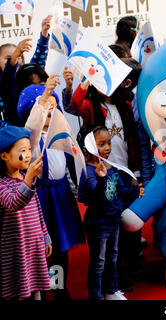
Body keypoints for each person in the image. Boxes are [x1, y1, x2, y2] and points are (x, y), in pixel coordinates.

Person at [17, 79, 84, 300]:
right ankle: (42, 290)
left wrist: (74, 192)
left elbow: (66, 169)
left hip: (61, 196)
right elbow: (32, 128)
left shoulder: (60, 137)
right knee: (43, 249)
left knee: (61, 249)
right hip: (41, 198)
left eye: (54, 111)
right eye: (46, 112)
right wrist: (44, 98)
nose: (50, 116)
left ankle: (58, 289)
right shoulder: (32, 141)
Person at [78, 126, 143, 300]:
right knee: (98, 263)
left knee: (113, 257)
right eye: (101, 144)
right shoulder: (89, 170)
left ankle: (111, 291)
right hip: (98, 224)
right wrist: (100, 178)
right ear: (91, 146)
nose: (107, 147)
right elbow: (92, 194)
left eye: (108, 143)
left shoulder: (111, 166)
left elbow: (119, 190)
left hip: (113, 220)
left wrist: (135, 191)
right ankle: (96, 296)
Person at [0, 125, 50, 300]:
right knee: (18, 289)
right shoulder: (2, 184)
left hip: (34, 246)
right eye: (23, 150)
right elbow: (14, 203)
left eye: (29, 149)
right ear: (4, 155)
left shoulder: (24, 177)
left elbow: (37, 210)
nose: (28, 154)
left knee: (36, 286)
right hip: (15, 249)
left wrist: (45, 236)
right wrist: (28, 178)